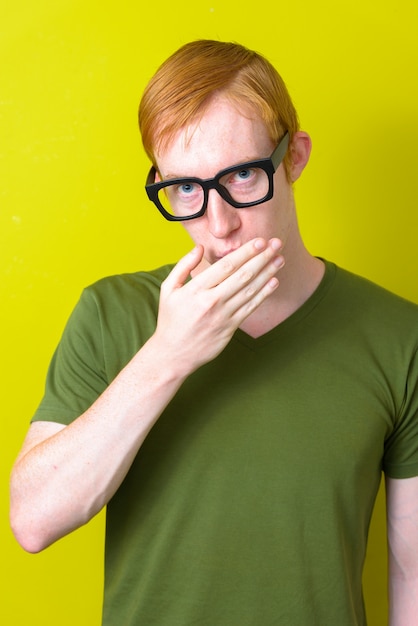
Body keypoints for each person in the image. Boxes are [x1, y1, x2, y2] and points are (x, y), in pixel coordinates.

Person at [9, 39, 418, 626]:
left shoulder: (399, 337)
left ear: (294, 157)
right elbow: (33, 520)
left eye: (245, 176)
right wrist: (168, 355)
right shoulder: (109, 313)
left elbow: (410, 573)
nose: (218, 223)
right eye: (185, 189)